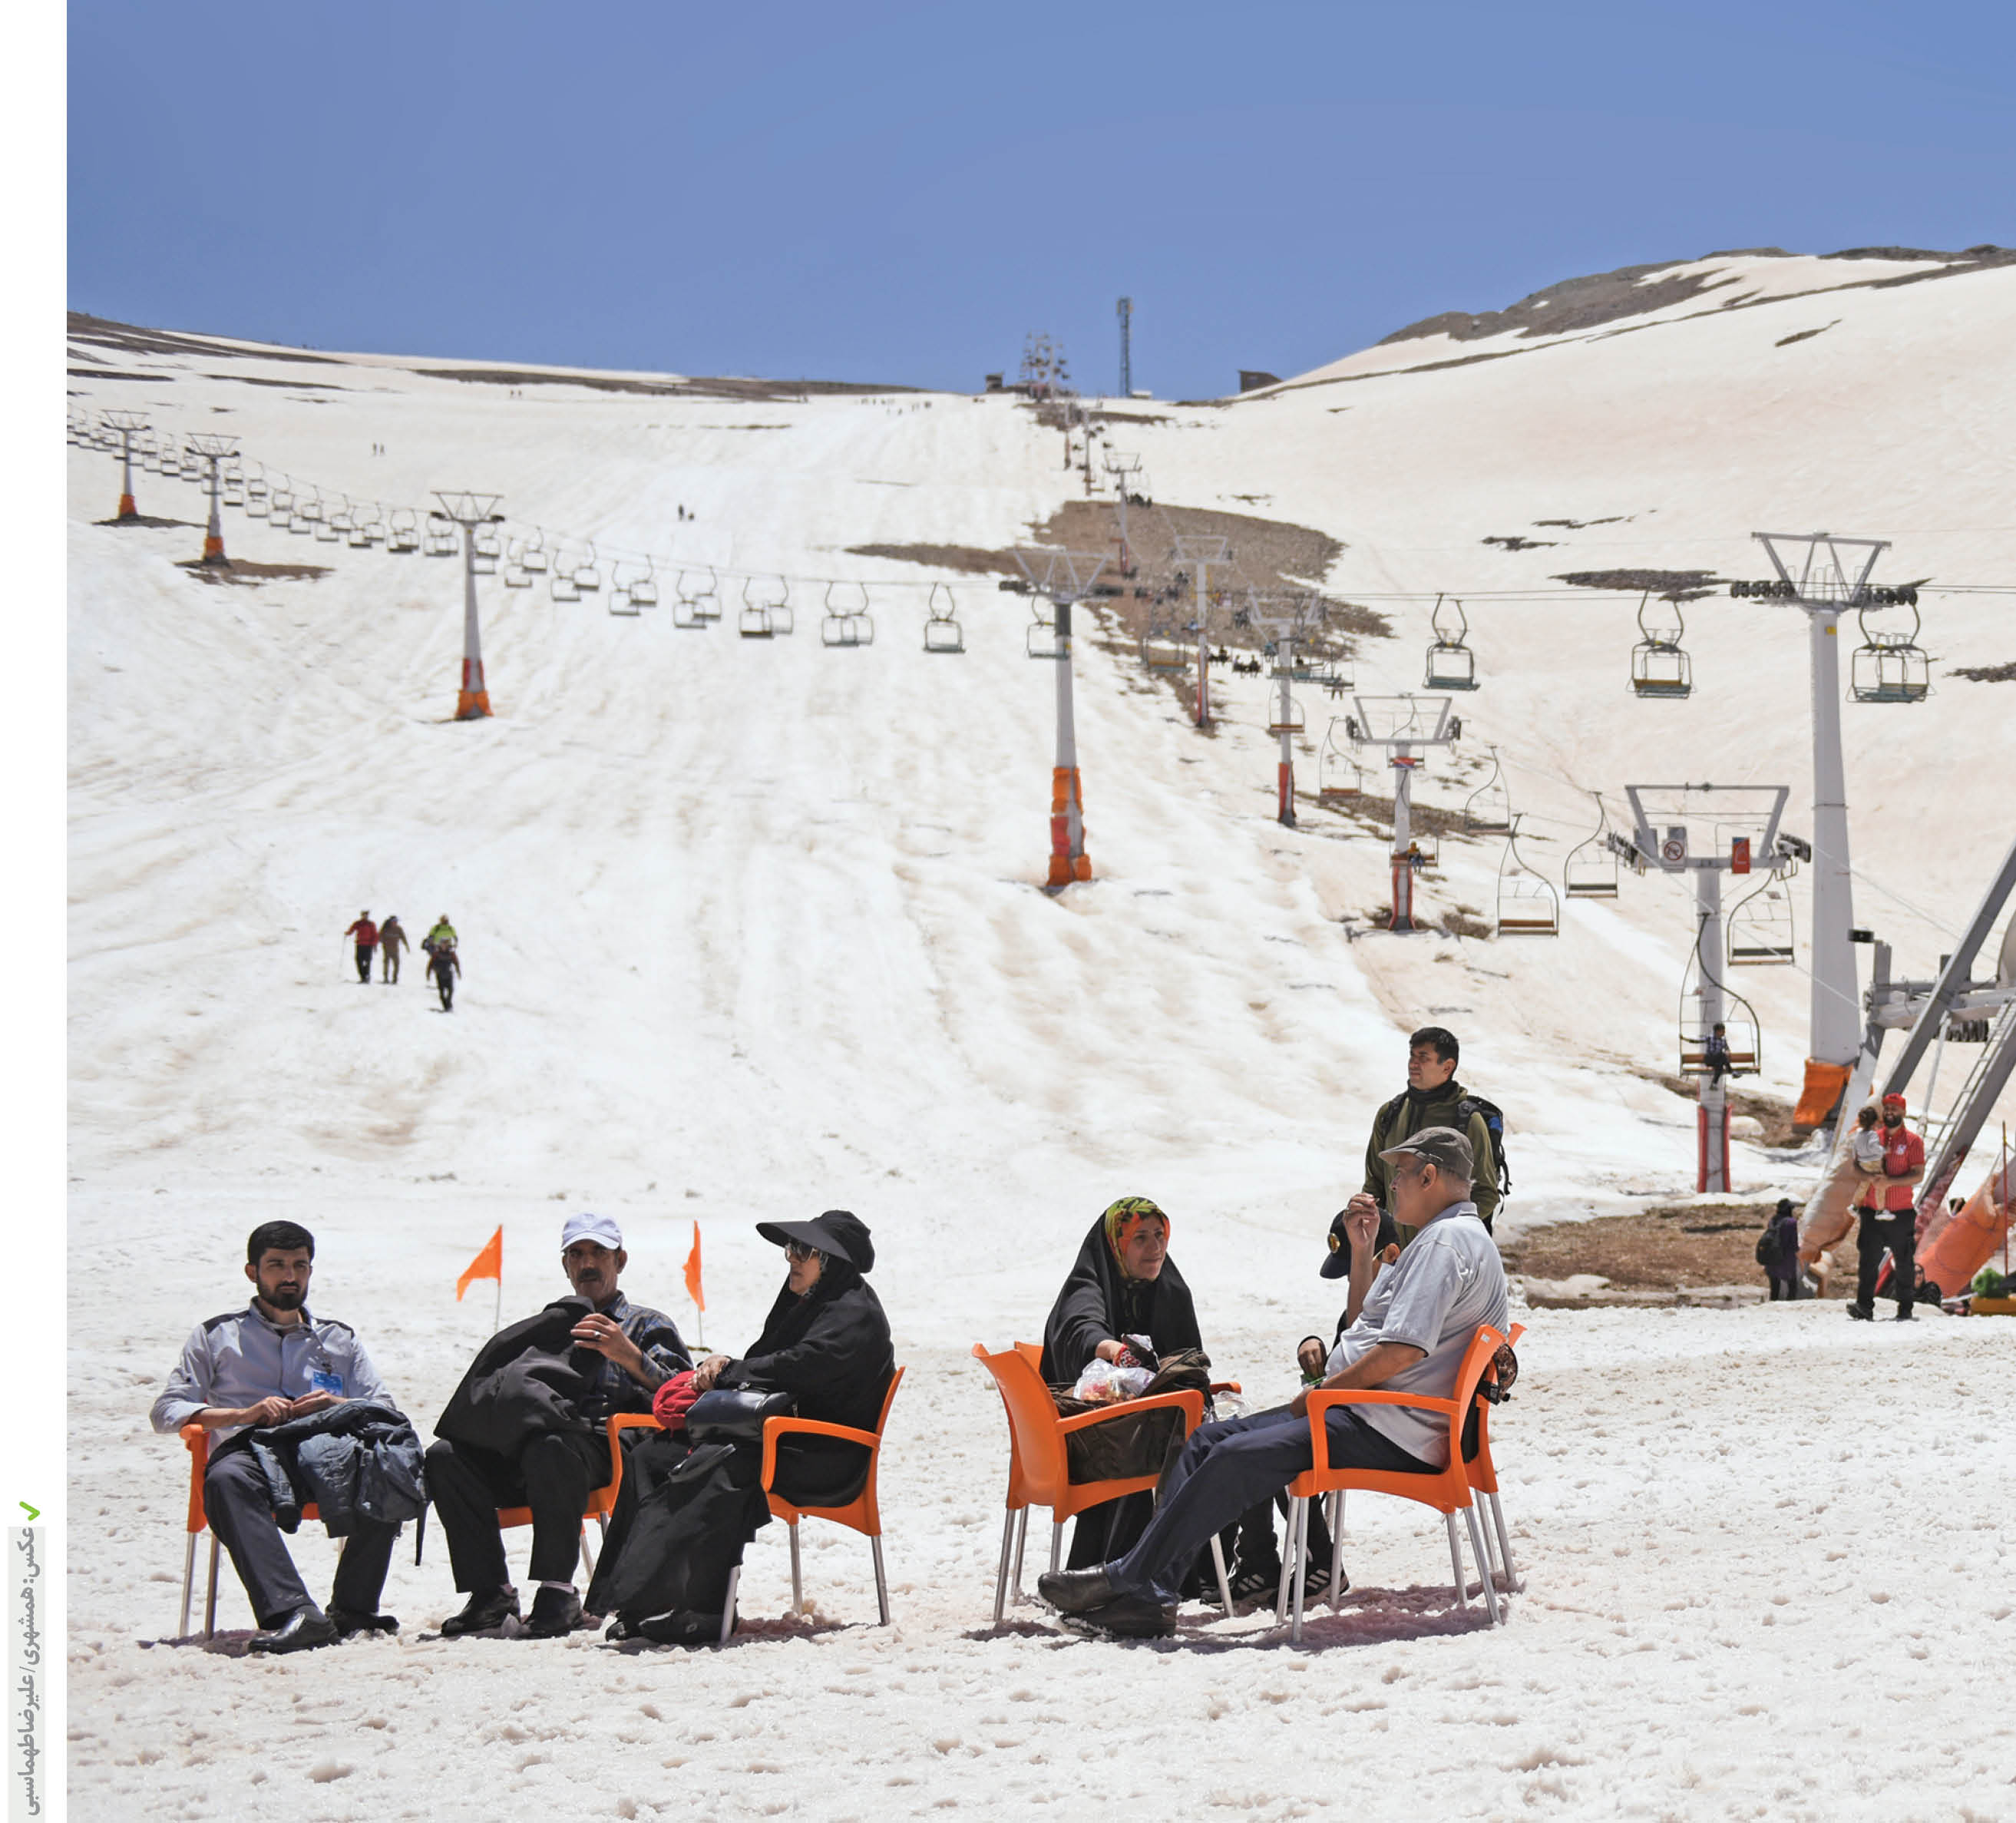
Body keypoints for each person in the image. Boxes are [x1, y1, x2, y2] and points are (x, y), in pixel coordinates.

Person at [1038, 1127, 1508, 1639]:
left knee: (1231, 1457)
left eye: (1400, 1174)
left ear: (1430, 1176)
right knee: (1207, 1441)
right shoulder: (1453, 1238)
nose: (1393, 1185)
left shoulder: (1444, 1243)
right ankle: (1152, 1594)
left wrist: (1324, 1392)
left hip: (1386, 1425)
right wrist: (1362, 1252)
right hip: (1373, 1413)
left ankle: (1128, 1580)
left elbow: (1402, 1351)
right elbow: (1364, 1327)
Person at [587, 1209, 894, 1644]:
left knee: (718, 1466)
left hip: (826, 1455)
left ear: (832, 1262)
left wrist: (730, 1371)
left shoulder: (855, 1313)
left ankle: (706, 1609)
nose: (791, 1257)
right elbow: (766, 1359)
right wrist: (722, 1370)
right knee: (652, 1455)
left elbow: (801, 1365)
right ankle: (638, 1603)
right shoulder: (806, 1304)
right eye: (791, 1248)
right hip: (777, 1440)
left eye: (803, 1250)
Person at [428, 1214, 689, 1639]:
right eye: (577, 1254)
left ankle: (557, 1592)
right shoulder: (551, 1328)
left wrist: (628, 1355)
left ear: (620, 1261)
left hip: (607, 1449)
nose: (588, 1264)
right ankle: (490, 1594)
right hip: (537, 1449)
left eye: (599, 1253)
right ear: (565, 1265)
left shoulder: (647, 1324)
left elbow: (683, 1395)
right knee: (446, 1457)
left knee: (549, 1447)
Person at [150, 1221, 407, 1653]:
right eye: (277, 1266)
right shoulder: (217, 1335)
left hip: (326, 1453)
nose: (290, 1276)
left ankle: (353, 1610)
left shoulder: (338, 1338)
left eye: (299, 1266)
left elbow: (385, 1407)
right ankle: (294, 1614)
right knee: (226, 1479)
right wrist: (243, 1414)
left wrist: (335, 1404)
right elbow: (166, 1410)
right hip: (251, 1452)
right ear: (252, 1272)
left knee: (387, 1466)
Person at [1039, 1199, 1212, 1574]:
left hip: (1141, 1431)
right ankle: (1127, 1572)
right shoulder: (1088, 1285)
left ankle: (1209, 1573)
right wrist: (1113, 1350)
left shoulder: (1170, 1292)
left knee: (1222, 1448)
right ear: (1116, 1245)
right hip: (1088, 1439)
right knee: (1143, 1449)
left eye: (1160, 1235)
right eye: (1140, 1238)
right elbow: (1081, 1326)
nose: (1155, 1248)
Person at [1363, 1027, 1501, 1236]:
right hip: (1395, 1250)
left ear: (1447, 1067)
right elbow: (1375, 1183)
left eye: (1423, 1057)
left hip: (1443, 1247)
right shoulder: (1390, 1113)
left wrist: (1444, 1234)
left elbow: (1485, 1193)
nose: (1413, 1063)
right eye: (1412, 1055)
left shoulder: (1468, 1121)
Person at [1849, 1093, 1926, 1322]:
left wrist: (1889, 1182)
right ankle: (1864, 1306)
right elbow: (1855, 1167)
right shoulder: (1873, 1137)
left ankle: (1905, 1308)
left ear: (1904, 1112)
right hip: (1872, 1210)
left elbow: (1918, 1174)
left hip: (1900, 1212)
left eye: (1895, 1108)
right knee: (1868, 1261)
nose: (1890, 1112)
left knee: (1903, 1263)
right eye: (1887, 1108)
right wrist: (1869, 1177)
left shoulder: (1913, 1141)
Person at [1760, 1198, 1803, 1301]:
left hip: (1772, 1258)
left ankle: (1773, 1305)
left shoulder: (1773, 1220)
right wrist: (1799, 1252)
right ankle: (1790, 1306)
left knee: (1774, 1287)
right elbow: (1794, 1244)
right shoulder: (1791, 1222)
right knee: (1792, 1286)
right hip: (1786, 1260)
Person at [344, 912, 378, 984]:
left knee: (367, 961)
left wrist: (374, 944)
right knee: (359, 961)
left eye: (366, 915)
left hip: (368, 945)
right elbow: (352, 930)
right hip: (360, 945)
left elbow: (375, 935)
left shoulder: (371, 924)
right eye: (363, 915)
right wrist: (348, 933)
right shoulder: (358, 923)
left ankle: (366, 976)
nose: (365, 917)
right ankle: (363, 977)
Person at [427, 941, 460, 1012]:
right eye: (443, 944)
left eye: (446, 945)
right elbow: (430, 964)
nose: (444, 946)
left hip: (449, 974)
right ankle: (446, 1007)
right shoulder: (436, 954)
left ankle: (449, 1005)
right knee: (442, 992)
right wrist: (428, 974)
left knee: (451, 991)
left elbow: (456, 963)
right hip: (440, 975)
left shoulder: (451, 954)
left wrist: (458, 972)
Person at [378, 915, 409, 985]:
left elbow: (403, 937)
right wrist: (380, 942)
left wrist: (406, 946)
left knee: (396, 964)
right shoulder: (385, 928)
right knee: (386, 964)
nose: (395, 923)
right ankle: (386, 978)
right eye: (394, 921)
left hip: (395, 950)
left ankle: (395, 979)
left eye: (396, 921)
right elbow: (379, 937)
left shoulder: (399, 929)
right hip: (386, 949)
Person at [1704, 1022, 1733, 1086]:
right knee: (1722, 1055)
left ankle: (1714, 1084)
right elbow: (1699, 1040)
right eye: (1723, 1031)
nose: (1724, 1033)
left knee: (1720, 1066)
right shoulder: (1710, 1038)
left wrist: (1728, 1051)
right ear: (1717, 1031)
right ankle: (1731, 1071)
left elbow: (1727, 1048)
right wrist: (1687, 1039)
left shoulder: (1723, 1039)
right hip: (1710, 1059)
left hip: (1718, 1061)